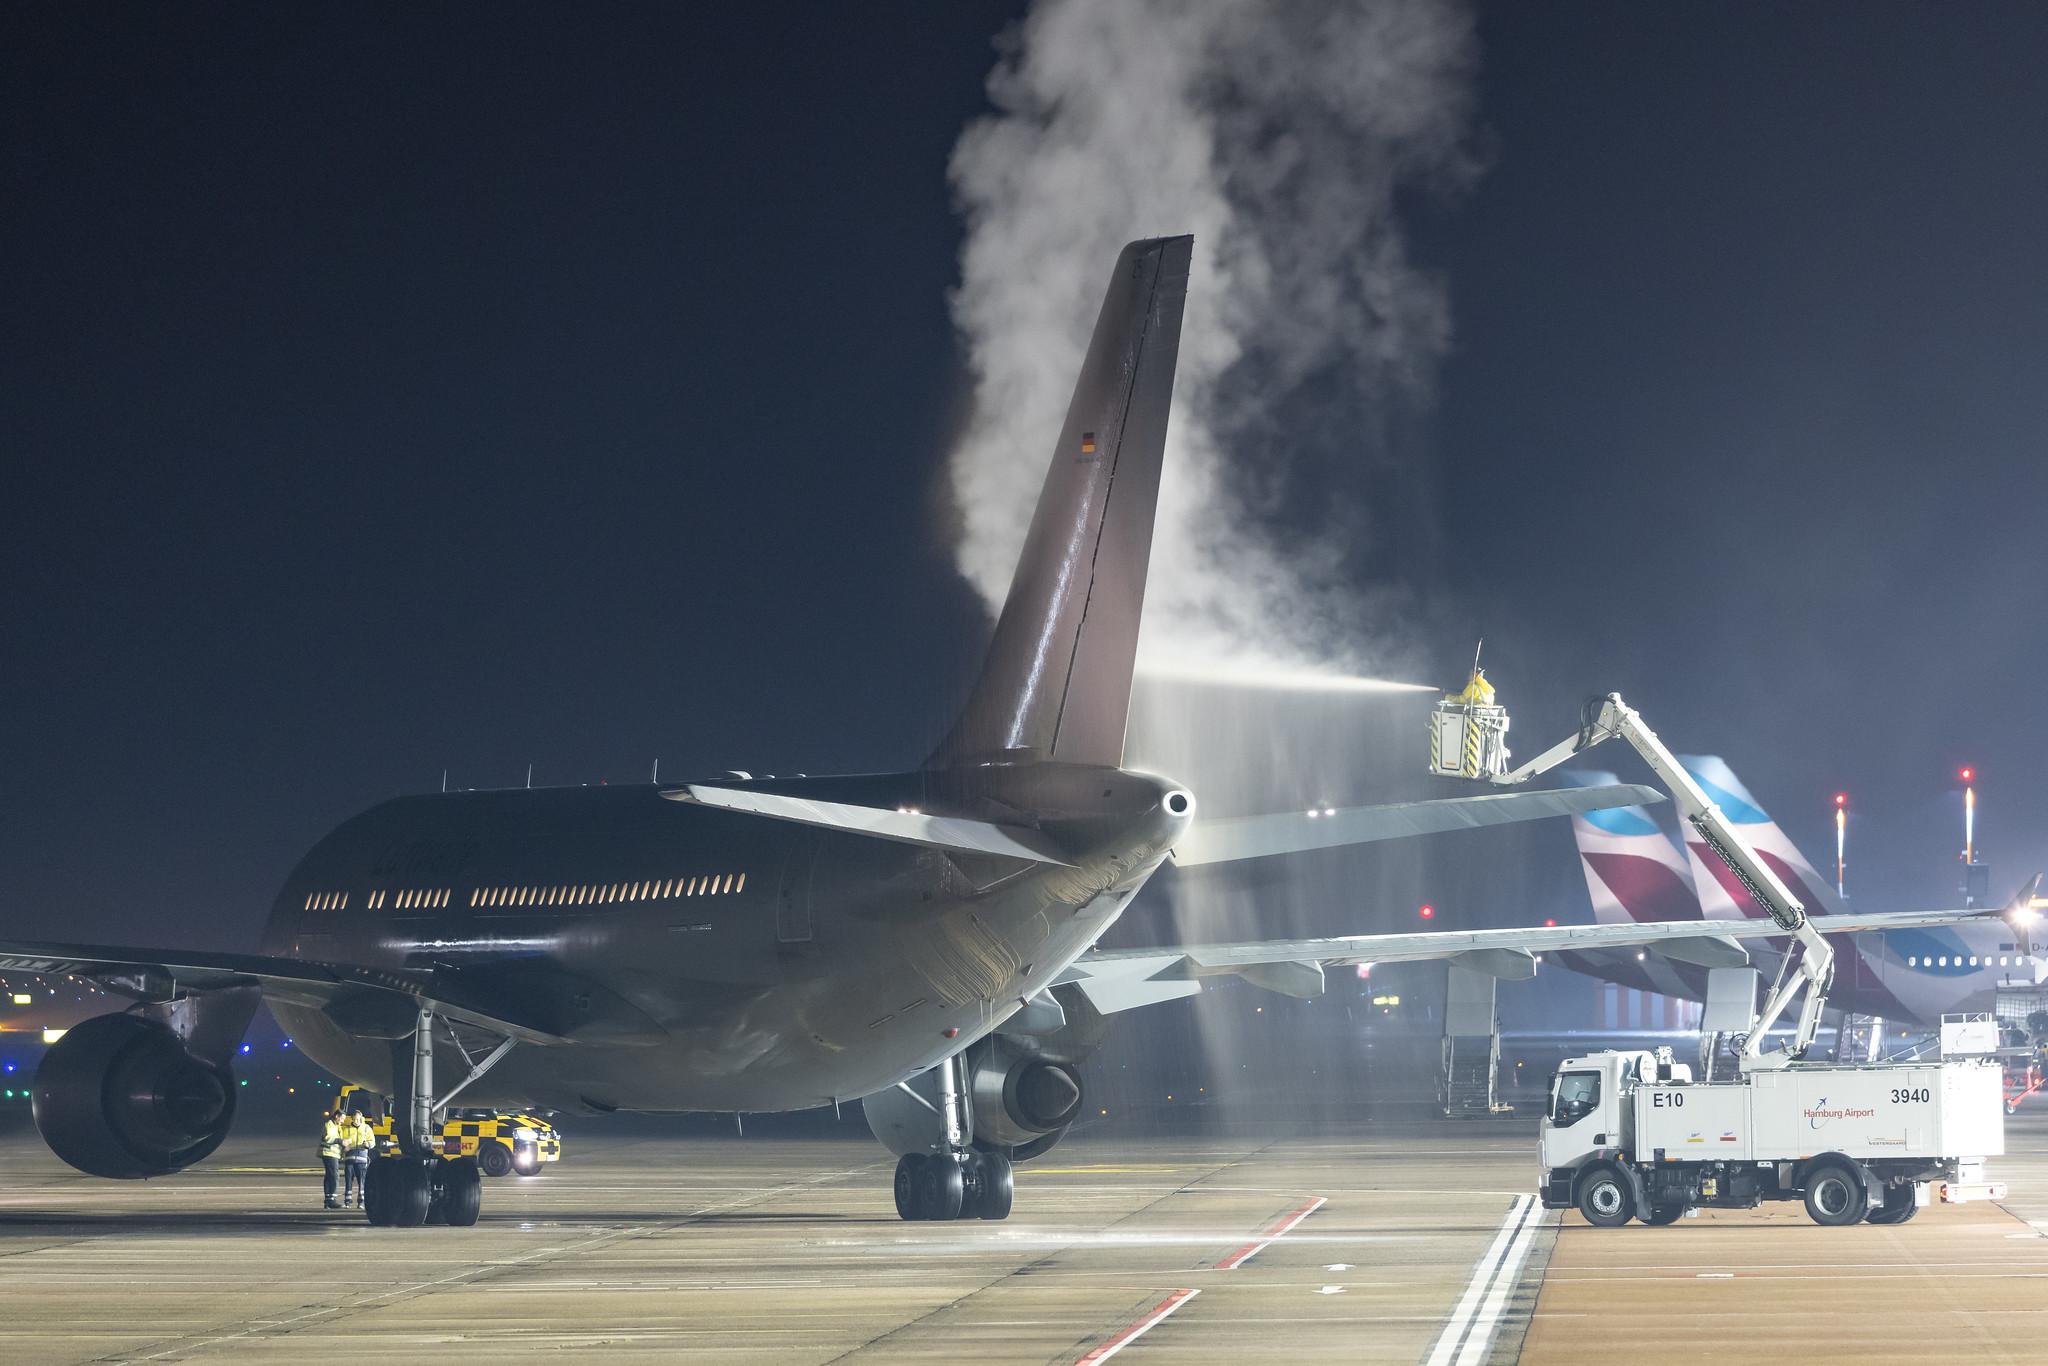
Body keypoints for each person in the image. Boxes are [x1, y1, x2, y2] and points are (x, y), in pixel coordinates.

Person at [341, 1110, 374, 1207]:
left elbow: (372, 1141)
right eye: (355, 1119)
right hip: (349, 1159)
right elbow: (342, 1141)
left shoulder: (366, 1128)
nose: (356, 1121)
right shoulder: (346, 1129)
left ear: (361, 1118)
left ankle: (361, 1202)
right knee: (348, 1181)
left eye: (358, 1119)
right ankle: (348, 1201)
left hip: (362, 1159)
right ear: (352, 1119)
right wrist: (344, 1147)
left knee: (362, 1181)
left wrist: (368, 1144)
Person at [319, 1110, 344, 1209]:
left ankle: (328, 1200)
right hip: (329, 1153)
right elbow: (328, 1138)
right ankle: (331, 1200)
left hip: (333, 1154)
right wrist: (341, 1141)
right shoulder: (329, 1125)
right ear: (337, 1116)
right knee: (334, 1176)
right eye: (342, 1118)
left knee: (329, 1176)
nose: (342, 1121)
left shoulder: (337, 1126)